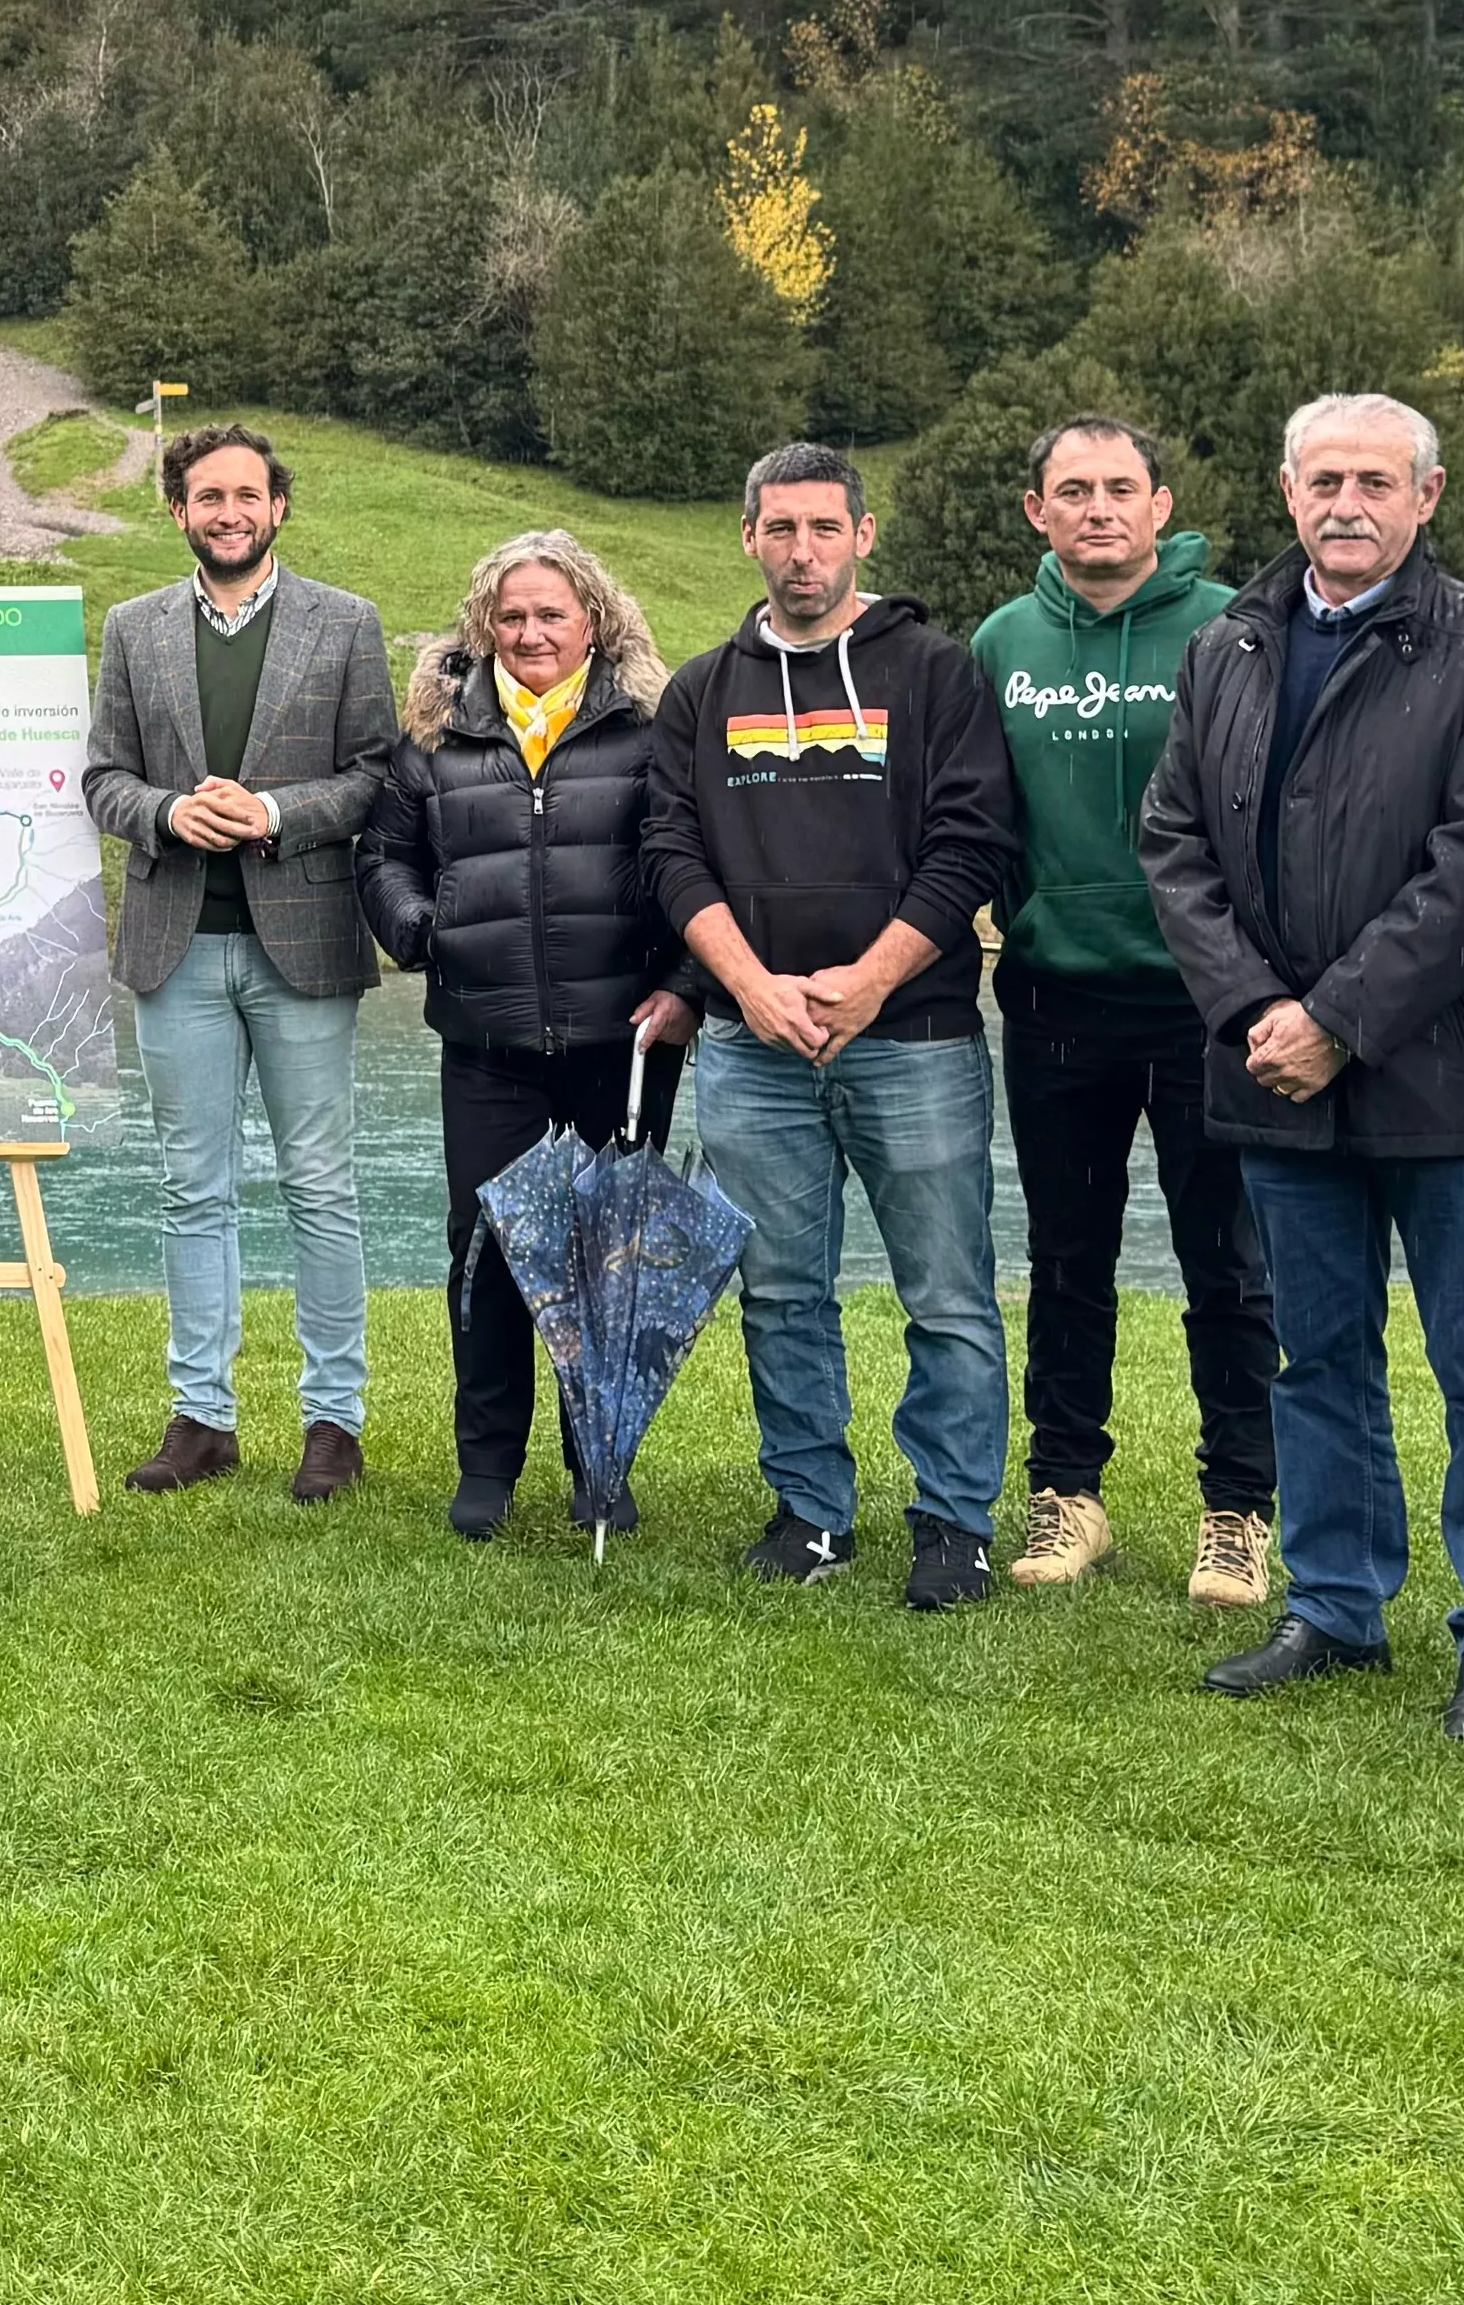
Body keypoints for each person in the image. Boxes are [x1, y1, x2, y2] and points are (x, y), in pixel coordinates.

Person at [1142, 395, 1464, 1746]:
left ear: (1425, 496)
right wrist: (1256, 1008)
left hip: (1451, 1071)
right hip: (1271, 1074)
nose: (1347, 501)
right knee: (1314, 1350)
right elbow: (1171, 842)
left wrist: (1336, 1015)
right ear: (1284, 489)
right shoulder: (1225, 645)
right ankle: (1333, 1601)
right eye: (1324, 477)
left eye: (1375, 480)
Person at [647, 445, 1022, 1605]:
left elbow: (974, 844)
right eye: (779, 528)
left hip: (911, 1034)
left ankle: (953, 1521)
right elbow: (671, 853)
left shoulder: (935, 672)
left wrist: (868, 978)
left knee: (946, 1288)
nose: (801, 550)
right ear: (747, 536)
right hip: (752, 1044)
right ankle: (812, 1507)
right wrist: (747, 986)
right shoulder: (701, 689)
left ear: (864, 533)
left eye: (823, 527)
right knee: (778, 1286)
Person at [969, 416, 1266, 1604]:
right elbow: (977, 815)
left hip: (1210, 1001)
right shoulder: (1000, 640)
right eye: (1073, 489)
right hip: (1054, 992)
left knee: (1227, 1265)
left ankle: (1238, 1505)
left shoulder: (1233, 625)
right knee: (1066, 1254)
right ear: (1037, 508)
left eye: (1121, 488)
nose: (1099, 507)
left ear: (1162, 502)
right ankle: (1066, 1490)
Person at [80, 423, 401, 1501]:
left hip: (304, 941)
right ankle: (202, 1416)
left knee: (321, 1184)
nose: (229, 511)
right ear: (177, 508)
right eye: (207, 495)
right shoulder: (133, 629)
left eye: (248, 495)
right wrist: (172, 811)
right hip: (177, 941)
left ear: (279, 506)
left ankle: (333, 1419)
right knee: (190, 1188)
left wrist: (269, 809)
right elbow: (103, 780)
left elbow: (373, 776)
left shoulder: (347, 624)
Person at [359, 529, 678, 1541]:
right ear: (483, 625)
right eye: (512, 614)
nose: (531, 630)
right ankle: (488, 1465)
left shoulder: (649, 729)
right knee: (487, 1252)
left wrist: (682, 987)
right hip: (486, 1039)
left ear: (595, 619)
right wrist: (420, 931)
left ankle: (602, 1467)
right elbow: (385, 856)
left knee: (608, 1262)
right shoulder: (435, 737)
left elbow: (689, 861)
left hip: (622, 1036)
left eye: (552, 612)